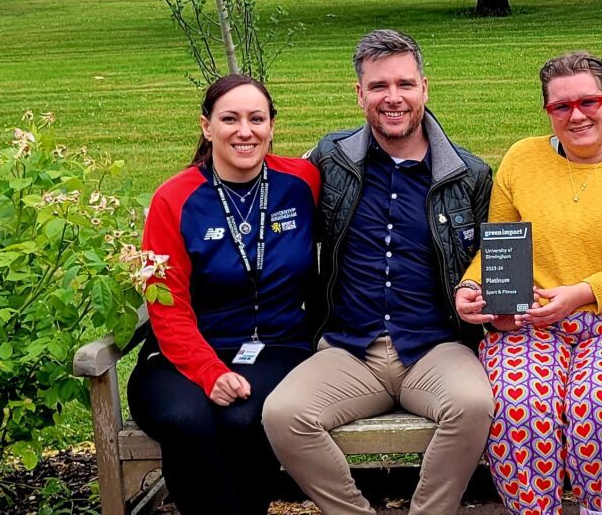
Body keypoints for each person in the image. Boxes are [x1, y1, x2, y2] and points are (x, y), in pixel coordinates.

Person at [262, 29, 494, 515]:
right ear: (360, 93)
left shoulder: (469, 175)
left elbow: (488, 261)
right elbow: (266, 187)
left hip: (434, 348)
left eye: (405, 84)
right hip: (350, 349)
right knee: (283, 415)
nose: (393, 98)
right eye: (379, 86)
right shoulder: (331, 159)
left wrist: (481, 293)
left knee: (473, 405)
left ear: (425, 89)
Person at [455, 51, 602, 515]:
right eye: (561, 106)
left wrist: (580, 294)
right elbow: (500, 245)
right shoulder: (523, 158)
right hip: (531, 320)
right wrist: (472, 288)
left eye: (588, 101)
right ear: (548, 112)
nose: (576, 115)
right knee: (520, 408)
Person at [127, 74, 321, 515]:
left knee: (244, 417)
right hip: (184, 350)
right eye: (229, 119)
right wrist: (209, 371)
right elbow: (166, 304)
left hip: (280, 345)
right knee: (186, 420)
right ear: (206, 126)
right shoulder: (173, 199)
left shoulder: (303, 181)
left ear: (272, 125)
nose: (244, 131)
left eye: (257, 118)